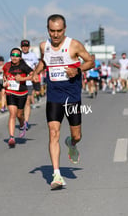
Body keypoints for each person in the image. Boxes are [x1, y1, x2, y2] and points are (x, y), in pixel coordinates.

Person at [32, 14, 94, 190]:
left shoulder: (74, 45)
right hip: (54, 96)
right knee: (53, 133)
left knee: (77, 136)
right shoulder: (44, 46)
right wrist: (36, 72)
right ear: (48, 30)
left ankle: (71, 144)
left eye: (59, 31)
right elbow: (44, 61)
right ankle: (57, 175)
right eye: (52, 31)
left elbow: (90, 61)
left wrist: (78, 69)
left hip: (72, 97)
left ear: (64, 29)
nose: (56, 35)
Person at [3, 48, 33, 147]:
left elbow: (33, 76)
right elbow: (4, 76)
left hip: (22, 93)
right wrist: (5, 82)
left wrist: (22, 78)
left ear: (20, 57)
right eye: (13, 55)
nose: (14, 57)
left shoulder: (24, 66)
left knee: (19, 115)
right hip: (10, 92)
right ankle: (11, 137)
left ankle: (22, 124)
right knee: (12, 114)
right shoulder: (7, 65)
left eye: (17, 55)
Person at [20, 39, 39, 128]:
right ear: (21, 47)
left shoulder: (33, 55)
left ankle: (26, 122)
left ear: (29, 47)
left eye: (26, 46)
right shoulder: (18, 55)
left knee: (27, 102)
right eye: (23, 46)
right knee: (19, 105)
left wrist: (35, 76)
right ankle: (21, 119)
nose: (25, 48)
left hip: (28, 82)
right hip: (19, 82)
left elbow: (37, 67)